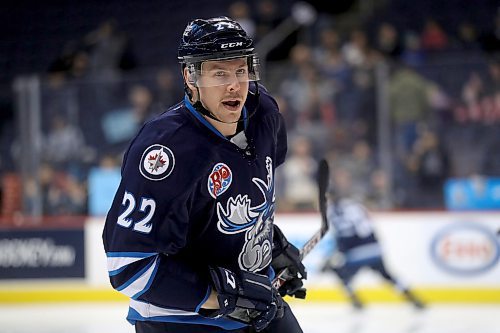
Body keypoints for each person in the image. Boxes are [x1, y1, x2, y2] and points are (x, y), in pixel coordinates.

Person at [102, 16, 306, 333]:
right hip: (180, 320)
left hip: (256, 306)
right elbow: (129, 268)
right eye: (219, 73)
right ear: (190, 76)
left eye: (241, 70)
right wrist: (225, 295)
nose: (234, 85)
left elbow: (242, 194)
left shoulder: (264, 112)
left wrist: (270, 246)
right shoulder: (165, 150)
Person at [321, 186, 425, 310]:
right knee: (388, 276)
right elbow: (367, 227)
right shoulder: (354, 205)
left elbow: (343, 236)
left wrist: (334, 255)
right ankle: (411, 297)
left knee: (338, 271)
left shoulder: (332, 211)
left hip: (356, 252)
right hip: (374, 248)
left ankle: (356, 301)